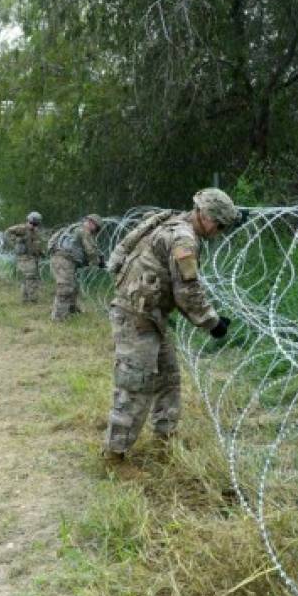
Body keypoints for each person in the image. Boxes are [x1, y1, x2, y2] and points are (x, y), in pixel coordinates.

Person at [102, 189, 240, 460]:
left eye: (225, 226)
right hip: (136, 316)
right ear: (202, 214)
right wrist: (212, 323)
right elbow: (187, 292)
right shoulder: (184, 239)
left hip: (151, 316)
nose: (219, 231)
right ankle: (114, 455)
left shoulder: (172, 222)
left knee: (168, 378)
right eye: (218, 224)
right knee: (136, 385)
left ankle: (164, 440)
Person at [48, 213, 104, 320]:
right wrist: (97, 263)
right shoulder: (84, 231)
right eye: (96, 228)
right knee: (65, 287)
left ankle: (71, 310)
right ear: (92, 223)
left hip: (60, 259)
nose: (95, 231)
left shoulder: (73, 228)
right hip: (65, 260)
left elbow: (53, 240)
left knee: (73, 286)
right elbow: (91, 251)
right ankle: (59, 317)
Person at [4, 211, 45, 303]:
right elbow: (7, 232)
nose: (34, 226)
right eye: (32, 223)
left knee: (28, 278)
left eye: (36, 224)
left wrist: (41, 252)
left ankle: (25, 299)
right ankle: (32, 299)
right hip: (24, 257)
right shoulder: (21, 228)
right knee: (30, 277)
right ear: (29, 221)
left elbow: (36, 244)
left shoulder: (35, 231)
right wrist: (16, 241)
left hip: (33, 257)